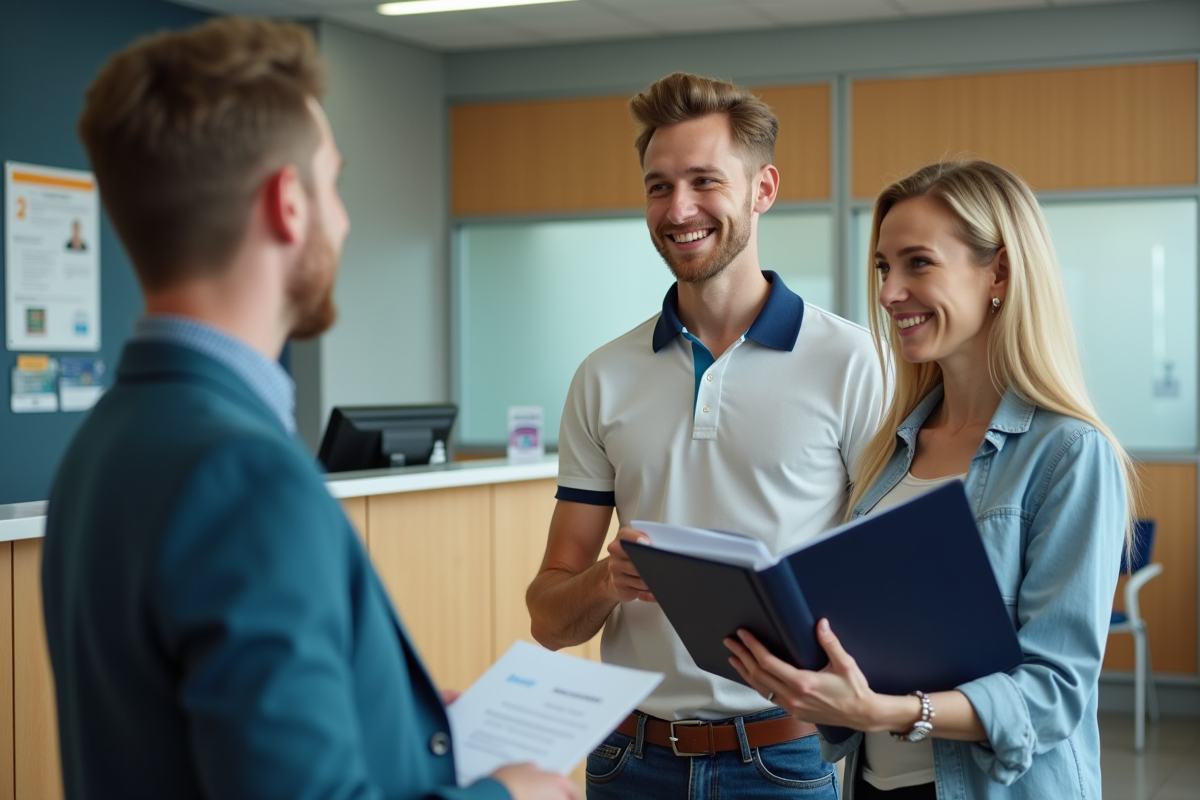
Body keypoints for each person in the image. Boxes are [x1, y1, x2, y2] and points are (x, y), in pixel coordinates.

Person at [41, 17, 576, 800]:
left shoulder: (106, 441)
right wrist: (508, 796)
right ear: (288, 203)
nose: (346, 218)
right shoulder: (245, 474)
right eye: (334, 182)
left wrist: (404, 732)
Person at [725, 160, 1135, 800]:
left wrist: (890, 712)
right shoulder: (892, 452)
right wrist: (801, 671)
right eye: (886, 267)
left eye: (918, 263)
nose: (889, 293)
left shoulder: (1070, 454)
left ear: (998, 271)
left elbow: (1055, 694)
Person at [526, 71, 883, 799]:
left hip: (782, 761)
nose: (678, 209)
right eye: (659, 186)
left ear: (763, 189)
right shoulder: (603, 377)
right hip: (627, 761)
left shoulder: (852, 363)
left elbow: (887, 586)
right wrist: (608, 578)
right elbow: (549, 619)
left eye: (703, 181)